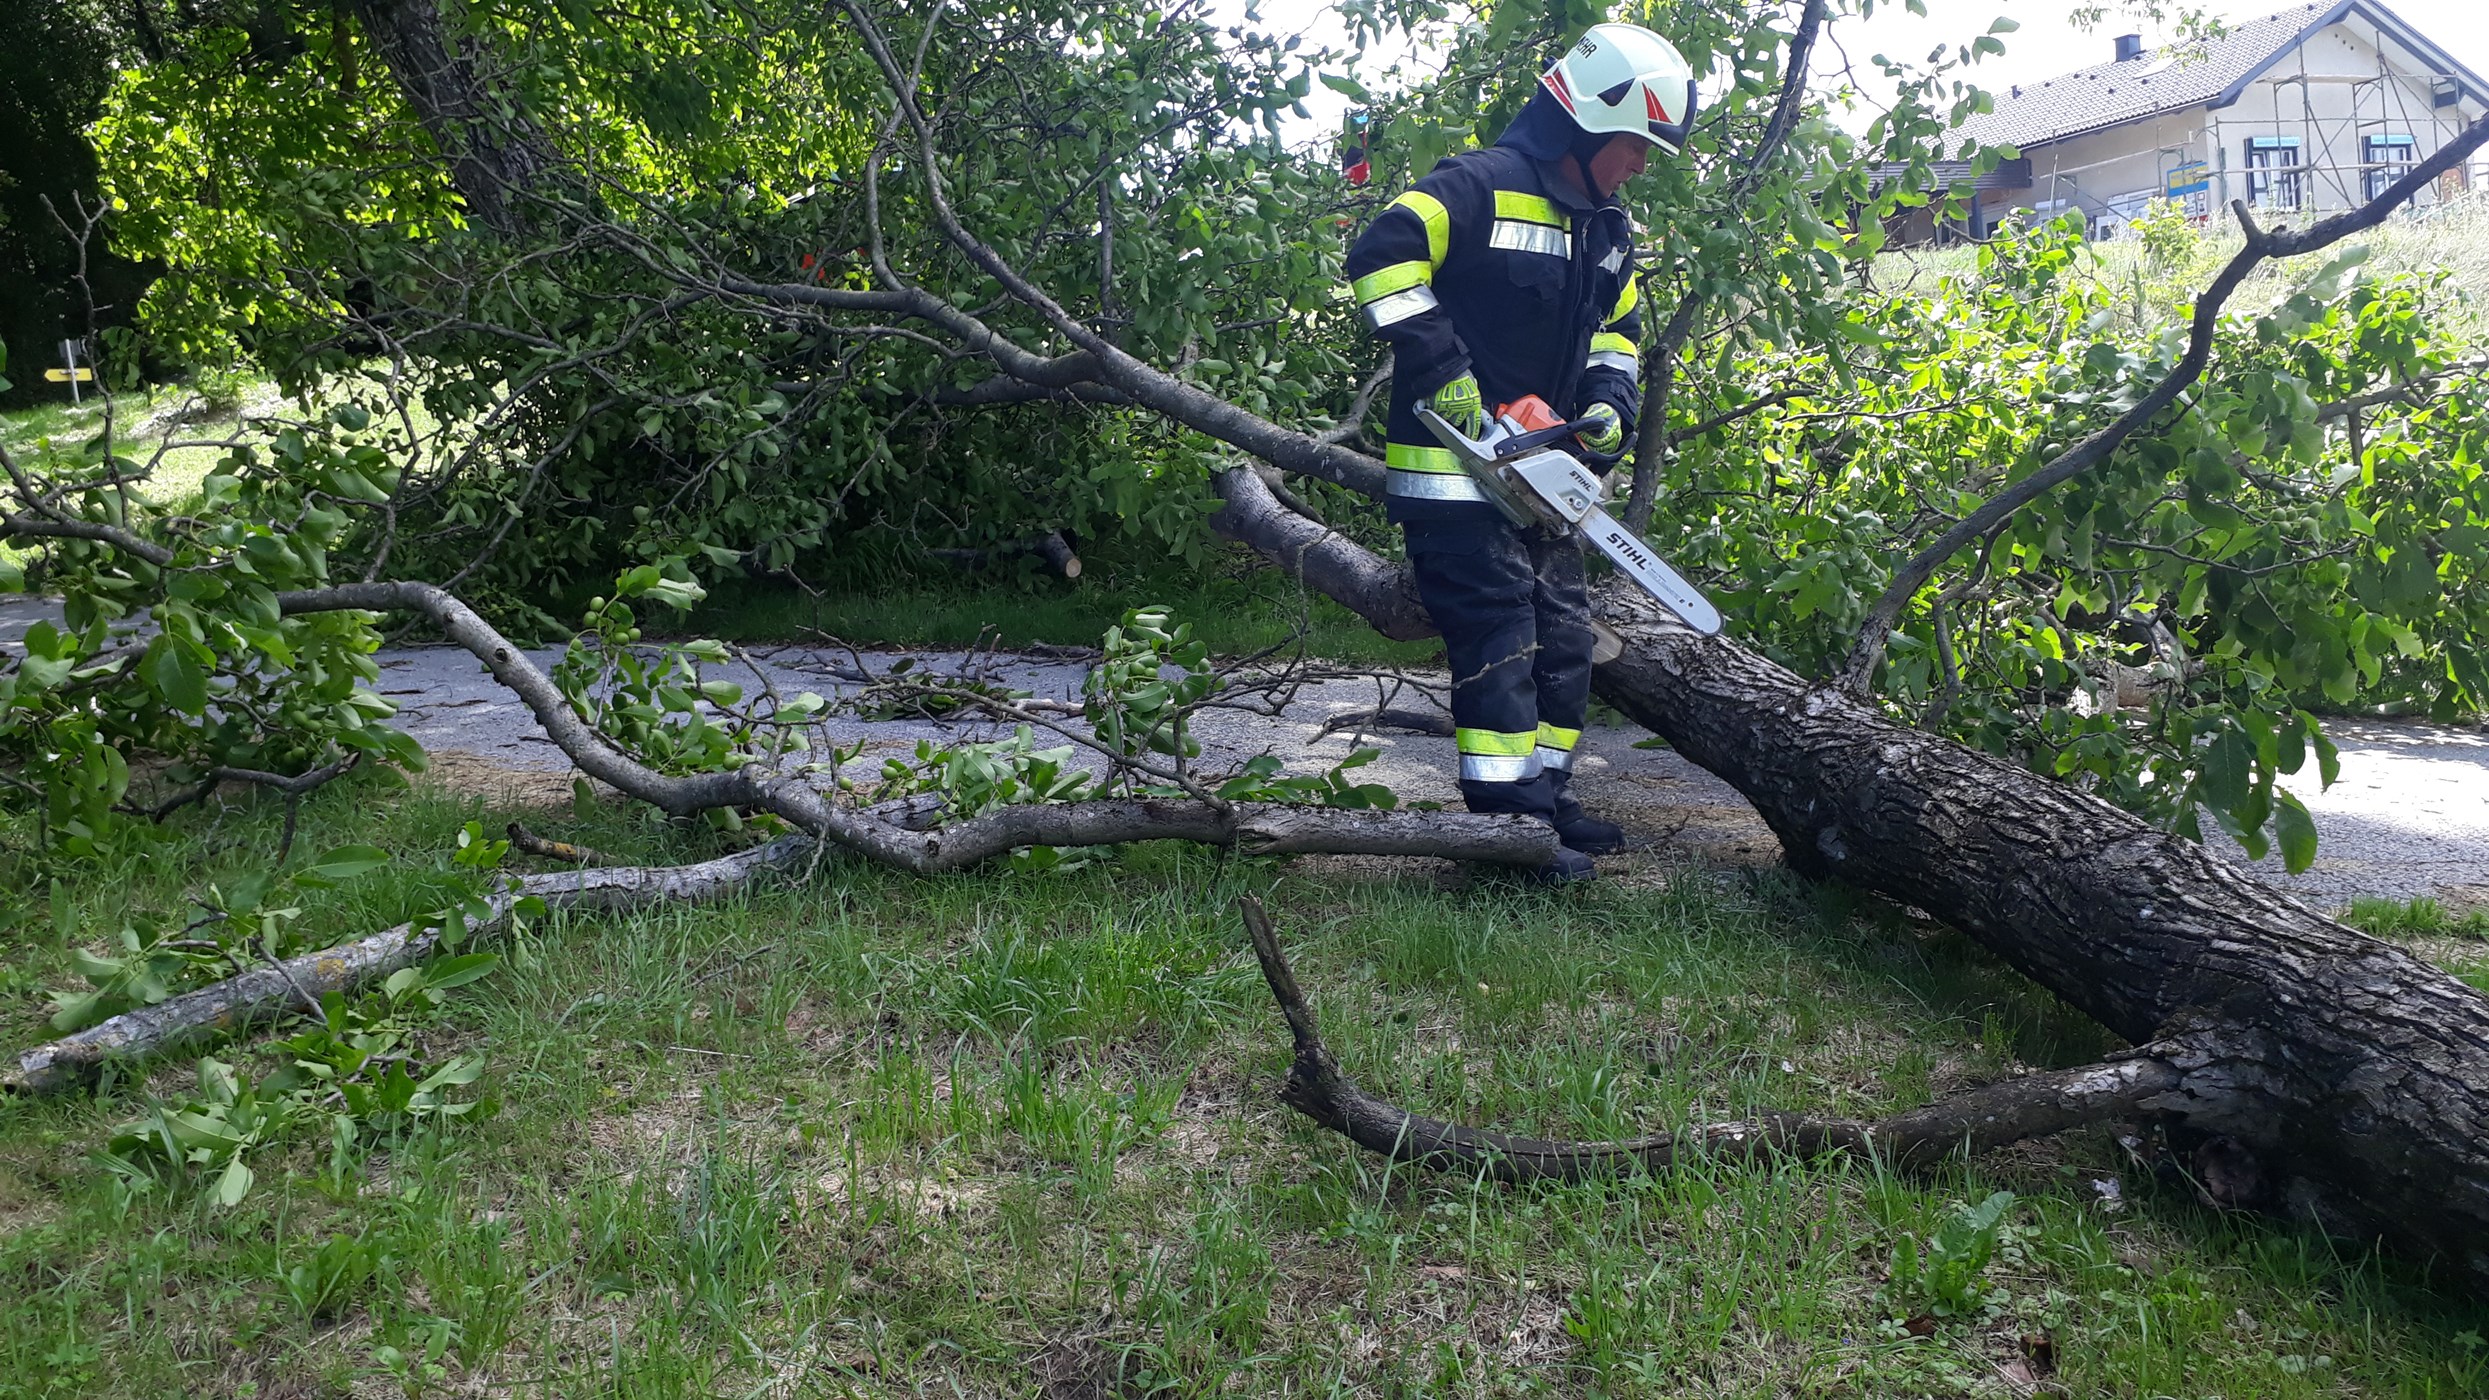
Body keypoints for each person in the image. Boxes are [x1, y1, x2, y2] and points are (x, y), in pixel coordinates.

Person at [1341, 24, 1697, 882]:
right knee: (1501, 631)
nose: (1638, 165)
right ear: (1586, 123)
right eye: (1634, 145)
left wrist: (1607, 406)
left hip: (1538, 478)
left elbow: (1617, 330)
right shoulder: (1475, 186)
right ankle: (1508, 829)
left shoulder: (1607, 228)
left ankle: (1546, 795)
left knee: (1565, 639)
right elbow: (1380, 255)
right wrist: (1444, 373)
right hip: (1452, 477)